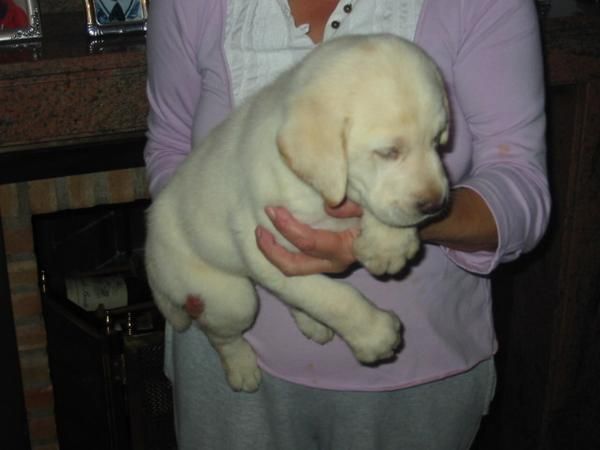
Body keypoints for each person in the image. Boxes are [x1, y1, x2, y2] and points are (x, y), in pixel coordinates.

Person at [144, 0, 550, 448]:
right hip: (230, 370)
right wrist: (183, 250)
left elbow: (523, 189)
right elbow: (170, 146)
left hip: (417, 376)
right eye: (390, 150)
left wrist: (406, 222)